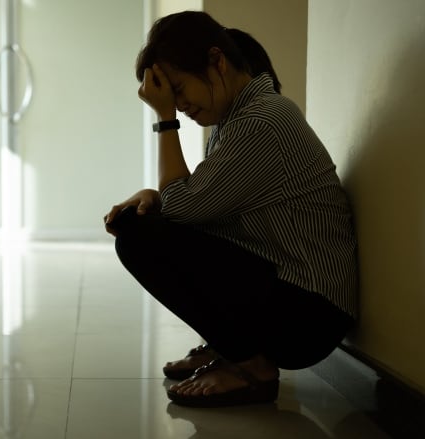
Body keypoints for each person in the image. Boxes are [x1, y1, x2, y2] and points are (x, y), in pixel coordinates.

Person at [103, 11, 358, 408]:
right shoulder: (237, 122)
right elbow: (201, 210)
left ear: (217, 62)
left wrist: (164, 120)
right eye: (171, 97)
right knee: (138, 224)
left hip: (309, 317)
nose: (180, 103)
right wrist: (155, 196)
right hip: (297, 301)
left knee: (139, 237)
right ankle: (230, 348)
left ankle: (251, 366)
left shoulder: (262, 122)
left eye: (179, 89)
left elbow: (185, 207)